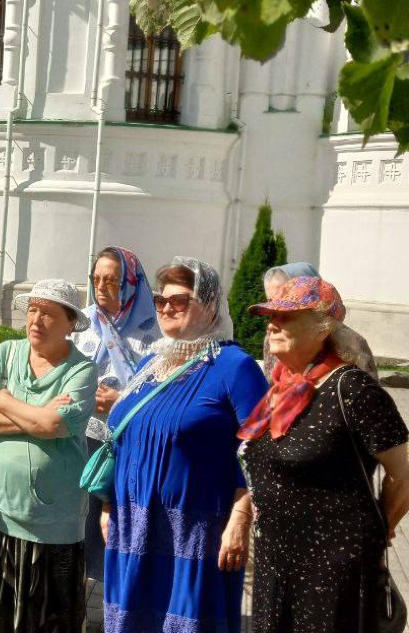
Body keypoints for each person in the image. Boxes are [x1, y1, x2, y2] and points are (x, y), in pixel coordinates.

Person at [102, 257, 268, 633]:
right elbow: (125, 440)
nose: (166, 308)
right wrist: (108, 506)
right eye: (161, 300)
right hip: (132, 524)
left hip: (194, 534)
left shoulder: (234, 366)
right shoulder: (150, 363)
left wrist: (240, 520)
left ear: (209, 304)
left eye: (180, 300)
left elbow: (262, 453)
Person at [238, 276, 409, 633]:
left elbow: (405, 471)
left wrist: (382, 525)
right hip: (276, 563)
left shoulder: (353, 389)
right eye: (270, 314)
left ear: (322, 327)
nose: (272, 323)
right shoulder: (280, 389)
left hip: (332, 572)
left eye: (286, 316)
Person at [0, 279, 97, 633]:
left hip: (55, 524)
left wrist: (5, 400)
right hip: (3, 513)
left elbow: (52, 425)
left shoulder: (82, 371)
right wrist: (37, 416)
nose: (36, 320)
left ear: (71, 324)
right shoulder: (7, 353)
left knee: (50, 620)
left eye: (49, 313)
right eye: (32, 310)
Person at [71, 247, 158, 583]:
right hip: (82, 437)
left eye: (112, 279)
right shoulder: (82, 322)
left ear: (131, 283)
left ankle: (116, 611)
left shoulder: (152, 330)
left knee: (117, 529)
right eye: (96, 279)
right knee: (79, 526)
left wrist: (119, 400)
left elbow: (161, 387)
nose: (102, 286)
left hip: (129, 443)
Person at [262, 262, 378, 380]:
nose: (275, 308)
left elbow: (370, 388)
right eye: (271, 301)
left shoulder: (354, 343)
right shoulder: (272, 339)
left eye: (286, 299)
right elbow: (270, 381)